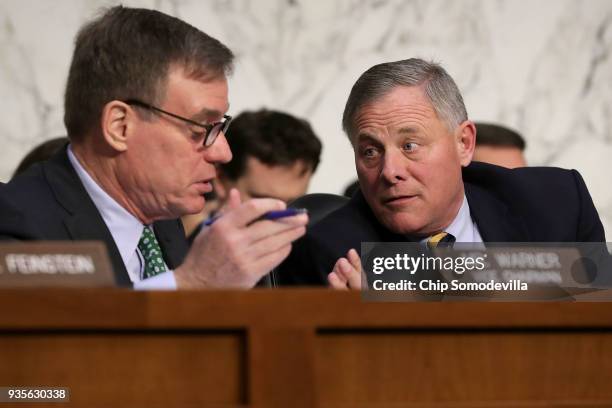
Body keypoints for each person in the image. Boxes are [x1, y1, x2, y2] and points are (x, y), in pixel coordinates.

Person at [0, 6, 308, 289]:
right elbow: (57, 343)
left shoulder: (160, 215)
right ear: (119, 126)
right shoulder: (15, 223)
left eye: (220, 127)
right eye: (201, 128)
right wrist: (192, 283)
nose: (222, 153)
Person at [275, 58, 605, 288]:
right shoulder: (331, 250)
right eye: (371, 152)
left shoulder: (556, 202)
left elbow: (597, 321)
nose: (390, 172)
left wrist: (412, 294)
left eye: (410, 146)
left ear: (463, 143)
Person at [182, 109, 322, 242]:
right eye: (264, 201)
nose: (282, 216)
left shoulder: (311, 252)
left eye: (293, 204)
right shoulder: (172, 250)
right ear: (221, 180)